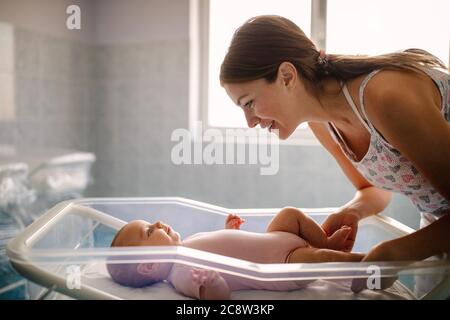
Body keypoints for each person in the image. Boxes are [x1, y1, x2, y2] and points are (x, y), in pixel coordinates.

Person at [219, 15, 450, 292]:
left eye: (249, 103)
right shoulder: (322, 123)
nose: (250, 121)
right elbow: (372, 189)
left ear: (287, 76)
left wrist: (399, 252)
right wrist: (352, 212)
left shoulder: (386, 97)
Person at [107, 207, 364, 299]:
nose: (160, 223)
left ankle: (327, 242)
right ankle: (364, 266)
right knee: (318, 260)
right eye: (151, 231)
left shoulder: (187, 243)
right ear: (149, 266)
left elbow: (224, 244)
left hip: (275, 237)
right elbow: (219, 298)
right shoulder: (183, 275)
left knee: (290, 214)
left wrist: (228, 229)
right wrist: (212, 283)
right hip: (282, 265)